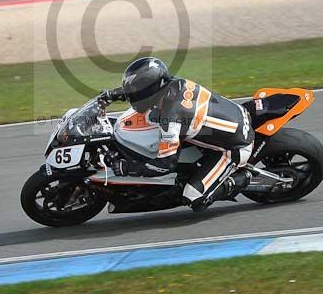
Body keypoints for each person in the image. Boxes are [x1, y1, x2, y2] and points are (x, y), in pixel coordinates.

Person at [99, 57, 255, 212]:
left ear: (149, 91)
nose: (132, 95)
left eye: (135, 91)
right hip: (235, 115)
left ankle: (245, 178)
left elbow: (165, 165)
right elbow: (143, 90)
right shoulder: (174, 84)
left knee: (194, 197)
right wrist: (112, 94)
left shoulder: (172, 118)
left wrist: (128, 168)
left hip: (235, 147)